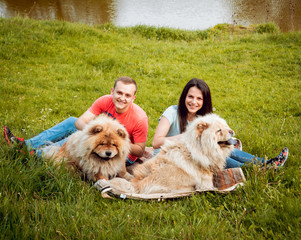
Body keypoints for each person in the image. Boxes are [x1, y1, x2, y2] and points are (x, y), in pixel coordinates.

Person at [4, 76, 148, 166]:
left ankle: (38, 155)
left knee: (79, 138)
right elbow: (80, 122)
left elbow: (140, 151)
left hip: (120, 155)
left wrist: (118, 141)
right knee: (72, 123)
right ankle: (27, 145)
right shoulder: (104, 101)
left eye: (127, 95)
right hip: (101, 143)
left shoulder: (140, 118)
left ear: (133, 98)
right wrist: (94, 134)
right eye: (119, 93)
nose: (122, 98)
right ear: (112, 91)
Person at [152, 78, 288, 169]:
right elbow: (156, 142)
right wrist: (188, 136)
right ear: (184, 97)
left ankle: (266, 164)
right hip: (167, 158)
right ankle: (257, 170)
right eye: (190, 97)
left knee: (221, 149)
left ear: (204, 101)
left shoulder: (204, 119)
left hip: (190, 156)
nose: (194, 102)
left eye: (199, 98)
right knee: (214, 155)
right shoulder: (172, 111)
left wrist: (226, 133)